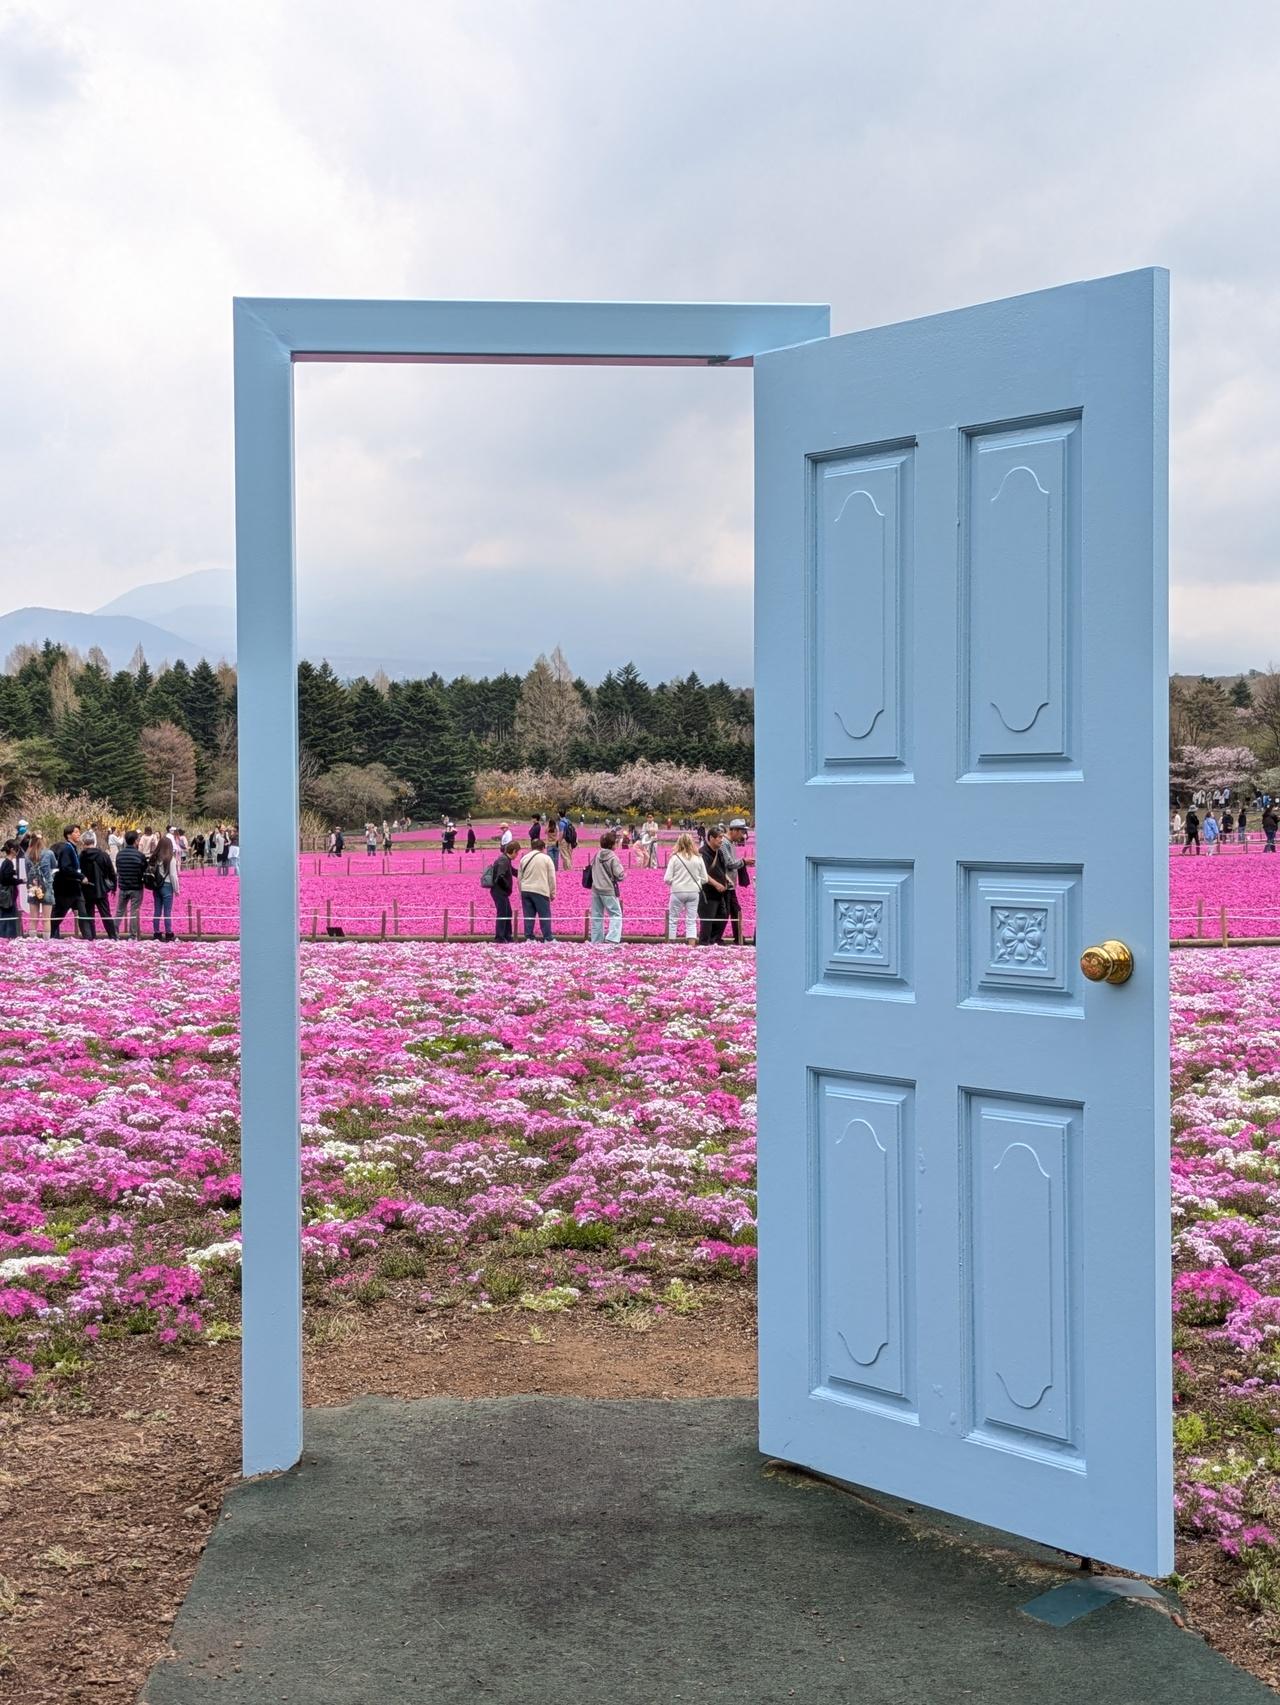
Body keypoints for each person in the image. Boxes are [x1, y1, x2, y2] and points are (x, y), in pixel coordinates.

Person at [664, 832, 706, 944]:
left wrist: (676, 882)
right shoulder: (698, 858)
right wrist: (695, 882)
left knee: (673, 919)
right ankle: (691, 946)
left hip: (677, 891)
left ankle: (671, 944)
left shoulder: (675, 858)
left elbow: (667, 878)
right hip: (693, 892)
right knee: (691, 920)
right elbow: (705, 879)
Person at [50, 825, 90, 939]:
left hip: (75, 887)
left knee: (83, 914)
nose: (78, 834)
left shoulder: (73, 848)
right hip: (66, 888)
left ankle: (88, 938)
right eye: (76, 832)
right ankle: (49, 935)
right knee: (58, 914)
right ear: (68, 835)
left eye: (79, 832)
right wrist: (81, 876)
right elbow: (65, 868)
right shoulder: (67, 849)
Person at [78, 830, 119, 940]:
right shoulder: (103, 855)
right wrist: (114, 887)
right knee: (106, 915)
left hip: (86, 889)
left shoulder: (81, 856)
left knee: (89, 915)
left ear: (83, 842)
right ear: (94, 841)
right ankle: (113, 936)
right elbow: (111, 872)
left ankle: (91, 937)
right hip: (101, 889)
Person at [589, 831, 625, 944]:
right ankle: (612, 938)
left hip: (596, 889)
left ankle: (596, 940)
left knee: (597, 916)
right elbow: (619, 875)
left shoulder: (597, 855)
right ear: (612, 844)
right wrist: (624, 874)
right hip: (608, 890)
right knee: (616, 914)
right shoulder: (613, 857)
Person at [722, 818, 754, 944]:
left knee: (735, 911)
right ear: (734, 830)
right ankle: (734, 938)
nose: (743, 835)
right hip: (725, 884)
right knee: (728, 912)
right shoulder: (724, 843)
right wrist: (744, 862)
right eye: (742, 832)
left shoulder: (731, 843)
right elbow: (729, 863)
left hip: (730, 885)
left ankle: (739, 938)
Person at [698, 828, 732, 945]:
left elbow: (721, 870)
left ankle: (714, 941)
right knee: (707, 921)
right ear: (711, 838)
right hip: (708, 893)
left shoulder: (719, 852)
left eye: (722, 837)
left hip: (720, 893)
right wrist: (716, 884)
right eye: (719, 837)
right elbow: (703, 874)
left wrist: (727, 880)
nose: (721, 840)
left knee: (722, 917)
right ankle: (704, 943)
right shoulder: (703, 853)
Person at [518, 838, 556, 941]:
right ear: (543, 848)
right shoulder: (546, 858)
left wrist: (521, 891)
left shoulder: (524, 858)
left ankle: (529, 937)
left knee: (528, 915)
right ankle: (548, 938)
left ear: (532, 847)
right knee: (544, 915)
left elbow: (519, 877)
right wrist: (552, 893)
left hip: (526, 890)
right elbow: (551, 877)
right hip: (540, 890)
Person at [115, 829, 147, 939]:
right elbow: (144, 870)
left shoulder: (119, 855)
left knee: (119, 911)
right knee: (134, 912)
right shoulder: (140, 855)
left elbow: (118, 869)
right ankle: (132, 935)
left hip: (123, 886)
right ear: (136, 841)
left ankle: (114, 932)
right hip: (136, 887)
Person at [148, 833, 181, 938]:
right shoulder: (170, 859)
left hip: (156, 886)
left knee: (157, 910)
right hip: (167, 886)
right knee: (167, 911)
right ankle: (168, 933)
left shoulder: (154, 858)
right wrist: (176, 889)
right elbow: (173, 875)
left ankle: (156, 932)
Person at [488, 839, 519, 942]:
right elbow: (500, 876)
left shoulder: (506, 859)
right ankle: (500, 937)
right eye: (517, 853)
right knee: (502, 914)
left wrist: (524, 874)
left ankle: (507, 935)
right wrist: (507, 887)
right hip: (499, 891)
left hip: (501, 892)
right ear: (513, 851)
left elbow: (513, 871)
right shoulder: (504, 860)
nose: (517, 855)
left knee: (507, 913)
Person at [0, 840, 21, 940]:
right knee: (9, 917)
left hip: (7, 896)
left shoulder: (6, 863)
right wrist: (20, 881)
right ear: (12, 850)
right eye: (17, 849)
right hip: (8, 896)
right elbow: (7, 880)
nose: (18, 851)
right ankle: (7, 936)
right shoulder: (8, 863)